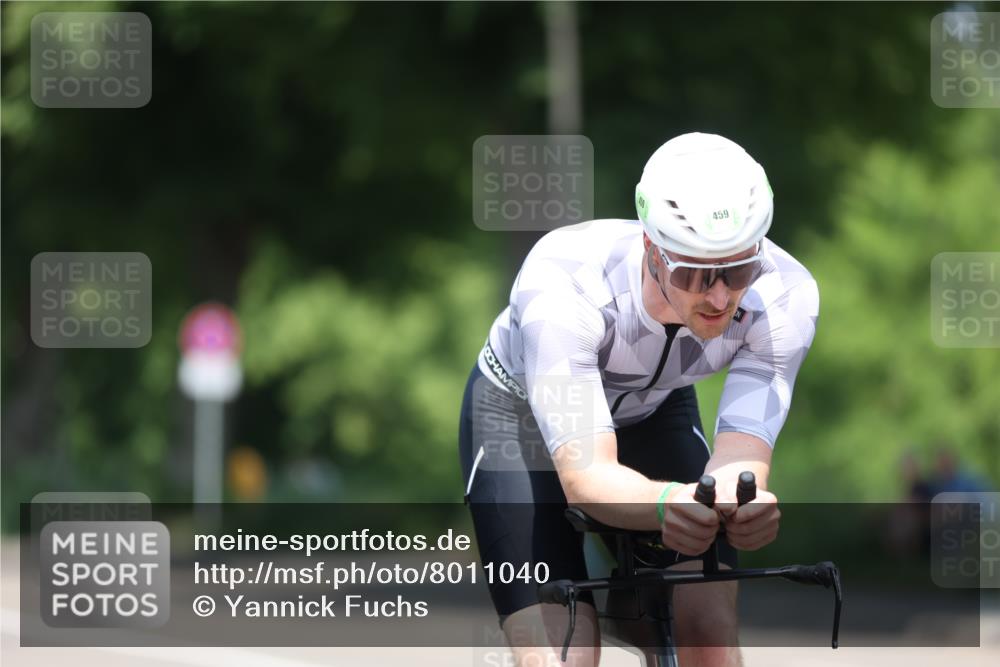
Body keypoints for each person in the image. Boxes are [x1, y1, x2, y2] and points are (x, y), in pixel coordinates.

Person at [458, 132, 819, 667]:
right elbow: (586, 476)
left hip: (654, 409)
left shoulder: (785, 295)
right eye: (695, 273)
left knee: (710, 635)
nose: (720, 296)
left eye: (739, 269)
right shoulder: (563, 281)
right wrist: (665, 504)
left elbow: (740, 458)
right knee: (563, 653)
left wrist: (741, 507)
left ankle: (640, 607)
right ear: (652, 248)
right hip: (519, 420)